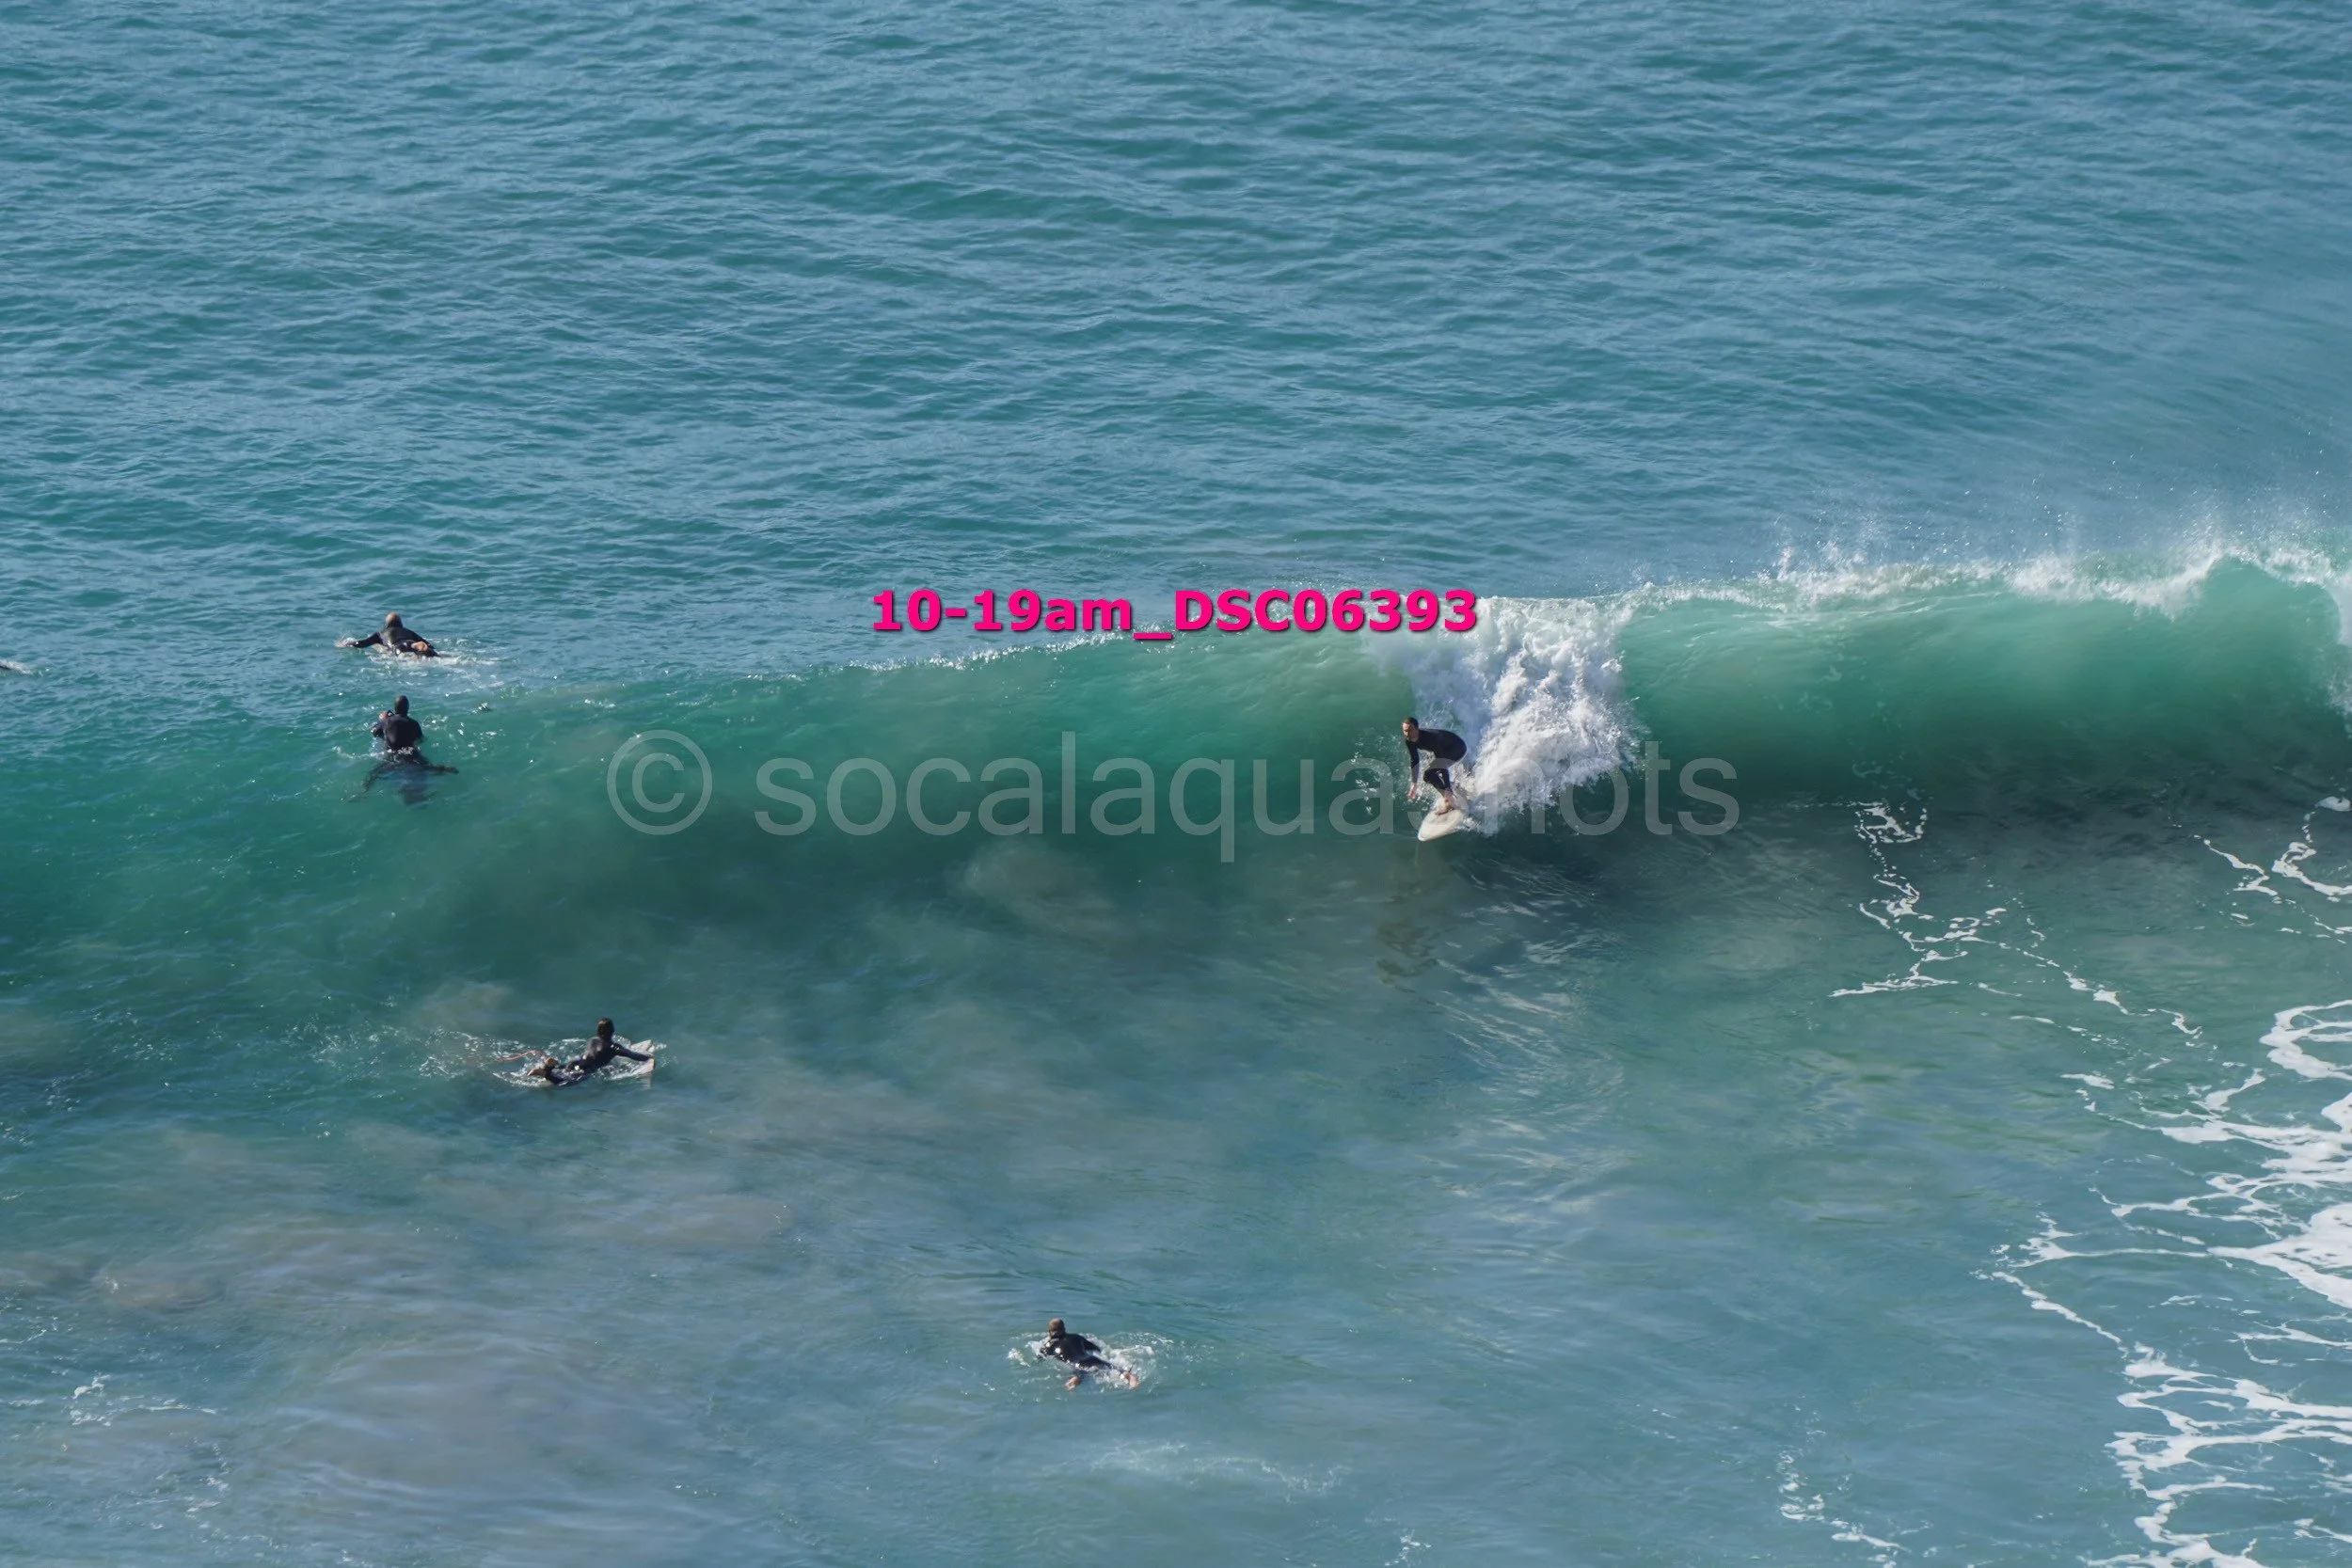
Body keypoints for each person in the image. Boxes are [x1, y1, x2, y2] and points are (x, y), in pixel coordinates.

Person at [529, 1019, 653, 1086]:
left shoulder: (592, 1040)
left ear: (597, 1031)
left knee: (564, 1070)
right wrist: (648, 1059)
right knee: (568, 1083)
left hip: (575, 1062)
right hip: (586, 1068)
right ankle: (547, 1072)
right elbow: (632, 1055)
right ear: (613, 1031)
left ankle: (550, 1066)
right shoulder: (613, 1047)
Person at [365, 695, 456, 787]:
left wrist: (382, 720)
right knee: (426, 766)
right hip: (411, 754)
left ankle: (364, 790)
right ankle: (442, 769)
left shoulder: (386, 721)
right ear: (407, 708)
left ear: (394, 708)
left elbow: (374, 732)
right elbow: (421, 740)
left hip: (393, 755)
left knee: (374, 773)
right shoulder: (414, 723)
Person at [1038, 1318, 1136, 1389]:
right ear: (1064, 1329)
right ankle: (1128, 1375)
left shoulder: (1048, 1346)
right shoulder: (1077, 1337)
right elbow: (1096, 1348)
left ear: (1049, 1332)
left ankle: (1075, 1380)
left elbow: (1040, 1358)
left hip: (1078, 1365)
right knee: (1115, 1369)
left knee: (1080, 1375)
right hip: (1093, 1359)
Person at [1401, 717, 1468, 815]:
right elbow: (1415, 760)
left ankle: (1449, 801)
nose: (1407, 734)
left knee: (1429, 774)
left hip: (1458, 748)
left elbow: (1442, 763)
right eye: (1405, 731)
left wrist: (1447, 788)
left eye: (1409, 730)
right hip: (1445, 748)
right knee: (1429, 775)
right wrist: (1414, 784)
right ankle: (1455, 787)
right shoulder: (1409, 740)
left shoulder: (1430, 739)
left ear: (1417, 728)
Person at [340, 612, 438, 657]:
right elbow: (429, 645)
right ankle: (417, 648)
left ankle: (416, 654)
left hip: (398, 647)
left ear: (386, 624)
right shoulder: (408, 631)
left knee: (405, 660)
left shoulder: (380, 634)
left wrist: (347, 644)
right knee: (427, 653)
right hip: (410, 642)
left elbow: (361, 643)